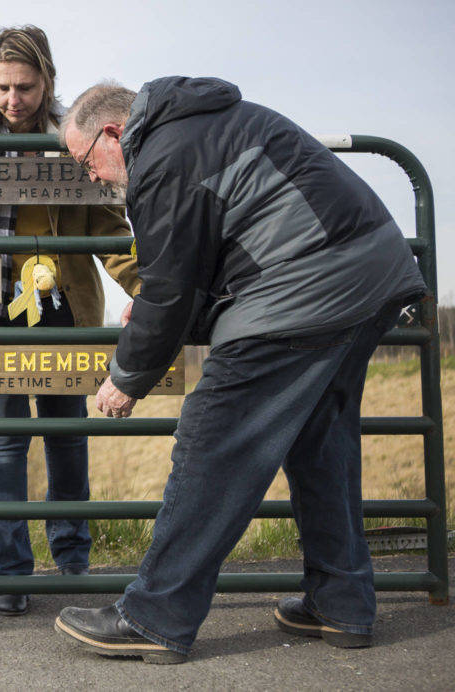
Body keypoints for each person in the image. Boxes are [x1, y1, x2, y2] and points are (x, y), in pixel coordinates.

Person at [56, 77, 426, 663]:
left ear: (113, 132)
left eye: (85, 162)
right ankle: (341, 603)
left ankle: (154, 615)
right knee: (320, 443)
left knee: (211, 441)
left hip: (305, 289)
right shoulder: (202, 127)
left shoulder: (162, 158)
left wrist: (126, 377)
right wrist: (161, 301)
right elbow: (210, 268)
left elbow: (174, 292)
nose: (91, 176)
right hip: (368, 274)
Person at [0, 26, 140, 616]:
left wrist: (153, 289)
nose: (12, 99)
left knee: (66, 443)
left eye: (24, 87)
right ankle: (9, 573)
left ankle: (72, 561)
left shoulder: (74, 140)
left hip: (62, 318)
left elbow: (109, 233)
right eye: (2, 88)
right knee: (2, 446)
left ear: (47, 82)